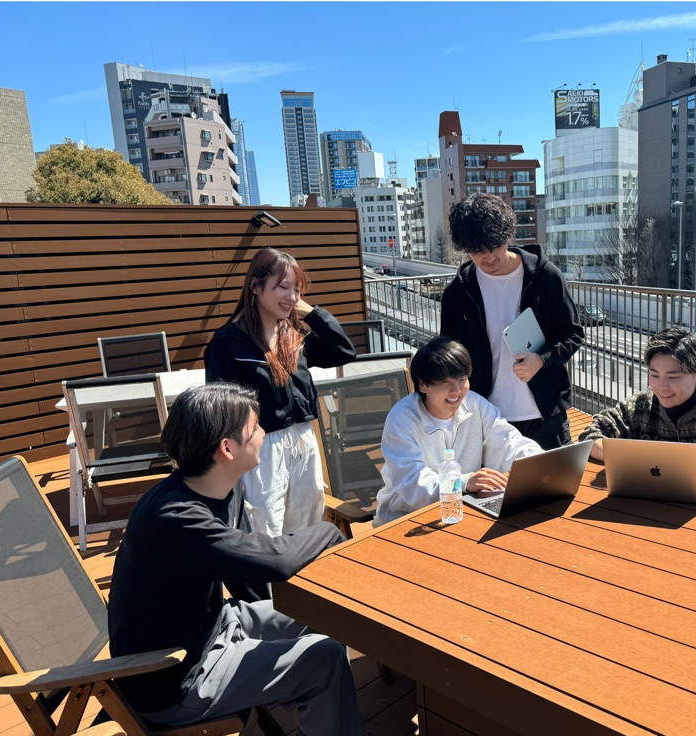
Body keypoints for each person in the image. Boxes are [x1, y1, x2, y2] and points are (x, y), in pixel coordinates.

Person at [107, 382, 371, 736]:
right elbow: (277, 560)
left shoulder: (221, 489)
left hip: (216, 626)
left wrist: (279, 618)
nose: (264, 433)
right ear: (227, 449)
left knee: (325, 613)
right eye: (256, 428)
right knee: (324, 658)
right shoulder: (175, 517)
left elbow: (246, 574)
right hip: (176, 675)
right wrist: (330, 532)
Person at [205, 247, 356, 537]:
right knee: (265, 523)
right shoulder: (228, 343)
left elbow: (343, 351)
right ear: (255, 286)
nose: (292, 297)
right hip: (260, 447)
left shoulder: (293, 335)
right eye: (283, 287)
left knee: (308, 518)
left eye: (297, 290)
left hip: (303, 438)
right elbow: (218, 410)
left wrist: (311, 312)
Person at [440, 193, 584, 450]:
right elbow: (449, 353)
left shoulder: (545, 277)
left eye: (495, 246)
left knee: (558, 476)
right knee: (494, 479)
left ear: (507, 236)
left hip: (545, 413)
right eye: (477, 250)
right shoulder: (458, 292)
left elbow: (573, 334)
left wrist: (541, 359)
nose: (489, 257)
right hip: (487, 415)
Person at [374, 336, 543, 526]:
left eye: (462, 380)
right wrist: (464, 483)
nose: (456, 390)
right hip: (405, 519)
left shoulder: (476, 404)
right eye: (445, 382)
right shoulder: (402, 419)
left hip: (462, 510)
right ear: (422, 384)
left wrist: (537, 461)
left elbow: (508, 442)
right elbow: (413, 484)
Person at [579, 327, 696, 483]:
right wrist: (635, 458)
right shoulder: (641, 404)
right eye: (654, 375)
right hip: (650, 499)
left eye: (673, 377)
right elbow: (590, 436)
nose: (661, 387)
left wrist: (634, 459)